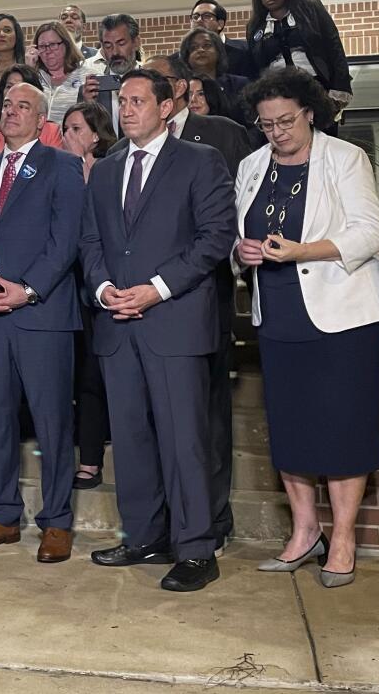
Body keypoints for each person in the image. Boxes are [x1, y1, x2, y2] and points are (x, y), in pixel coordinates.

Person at [235, 68, 379, 588]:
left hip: (345, 313)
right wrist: (241, 253)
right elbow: (241, 237)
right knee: (290, 425)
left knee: (343, 426)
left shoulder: (345, 157)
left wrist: (304, 250)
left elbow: (371, 232)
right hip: (278, 311)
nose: (277, 132)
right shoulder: (252, 166)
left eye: (285, 121)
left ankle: (344, 538)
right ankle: (305, 532)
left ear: (309, 112)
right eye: (266, 124)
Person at [81, 68, 236, 593]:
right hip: (117, 323)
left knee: (184, 441)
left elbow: (216, 238)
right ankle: (145, 535)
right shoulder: (104, 169)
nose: (126, 110)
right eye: (121, 101)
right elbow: (91, 242)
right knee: (130, 439)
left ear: (167, 107)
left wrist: (156, 289)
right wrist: (104, 291)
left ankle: (195, 549)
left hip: (175, 320)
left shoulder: (200, 161)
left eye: (138, 101)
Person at [0, 83, 85, 564]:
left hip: (40, 314)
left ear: (42, 119)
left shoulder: (63, 166)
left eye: (22, 106)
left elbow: (65, 240)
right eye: (6, 105)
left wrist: (26, 289)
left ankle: (57, 521)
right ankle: (2, 514)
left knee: (52, 422)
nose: (11, 112)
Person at [142, 53, 253, 553]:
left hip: (203, 297)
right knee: (158, 421)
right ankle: (163, 520)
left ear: (180, 89)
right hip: (142, 305)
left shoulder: (222, 134)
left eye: (158, 84)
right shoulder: (131, 147)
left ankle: (211, 518)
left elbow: (230, 217)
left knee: (205, 418)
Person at [59, 101, 116, 491]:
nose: (68, 136)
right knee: (76, 377)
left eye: (76, 128)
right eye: (64, 129)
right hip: (65, 288)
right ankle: (79, 457)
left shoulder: (111, 172)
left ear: (96, 134)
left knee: (97, 376)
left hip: (106, 286)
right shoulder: (55, 174)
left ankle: (93, 458)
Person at [246, 0, 353, 122]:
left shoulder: (310, 8)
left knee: (321, 136)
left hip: (316, 85)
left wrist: (339, 89)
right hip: (276, 91)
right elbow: (255, 67)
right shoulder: (255, 26)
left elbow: (334, 46)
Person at [0, 65, 63, 155]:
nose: (15, 90)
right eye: (9, 86)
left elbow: (54, 167)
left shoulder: (51, 132)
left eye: (21, 85)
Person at [179, 27, 250, 124]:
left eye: (207, 45)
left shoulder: (240, 84)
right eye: (193, 47)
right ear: (187, 56)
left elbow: (252, 123)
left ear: (218, 52)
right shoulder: (180, 88)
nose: (200, 50)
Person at [34, 20, 100, 124]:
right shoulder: (33, 77)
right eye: (42, 46)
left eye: (53, 44)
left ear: (66, 45)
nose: (48, 50)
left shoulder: (89, 76)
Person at [190, 0, 256, 78]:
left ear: (220, 24)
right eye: (195, 17)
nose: (199, 20)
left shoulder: (245, 50)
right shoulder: (180, 58)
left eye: (207, 16)